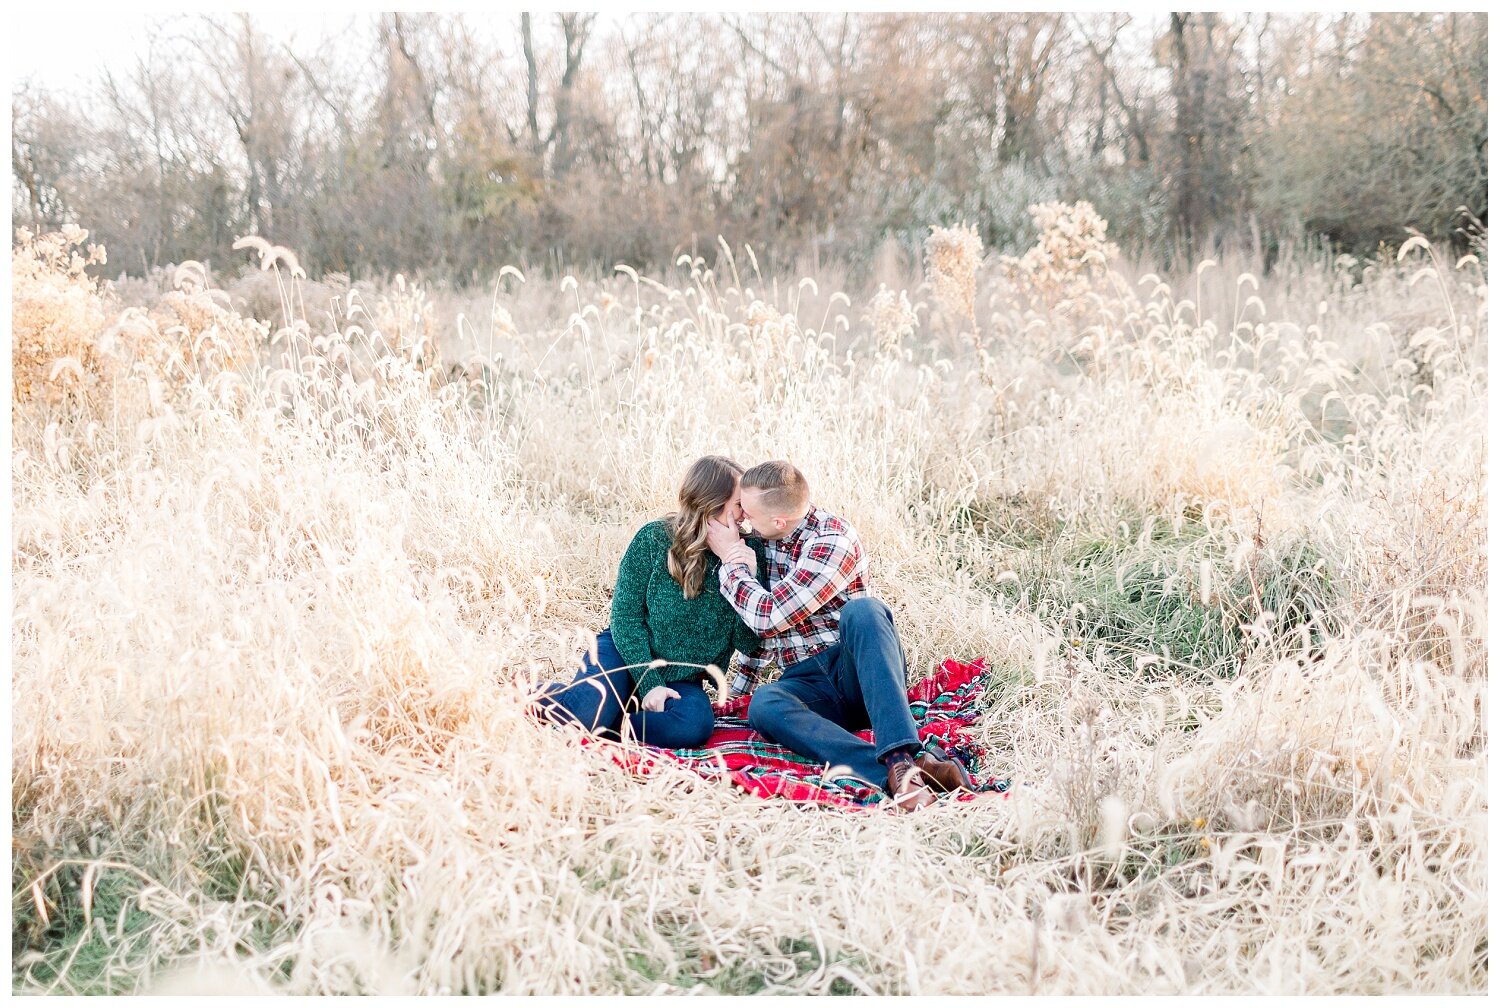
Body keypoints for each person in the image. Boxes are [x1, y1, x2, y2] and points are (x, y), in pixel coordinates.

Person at [706, 461, 974, 810]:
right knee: (765, 703)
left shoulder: (833, 540)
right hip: (808, 685)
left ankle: (900, 756)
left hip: (859, 676)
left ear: (778, 521)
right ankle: (902, 770)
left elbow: (768, 618)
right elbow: (755, 632)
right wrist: (735, 697)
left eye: (749, 514)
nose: (742, 522)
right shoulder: (761, 541)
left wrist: (731, 561)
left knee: (864, 611)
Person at [530, 455, 764, 749]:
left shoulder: (749, 552)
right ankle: (537, 696)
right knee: (586, 713)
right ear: (711, 506)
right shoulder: (653, 539)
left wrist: (743, 575)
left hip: (682, 677)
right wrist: (650, 684)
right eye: (739, 504)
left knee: (692, 728)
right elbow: (625, 620)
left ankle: (609, 719)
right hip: (624, 655)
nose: (745, 515)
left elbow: (747, 642)